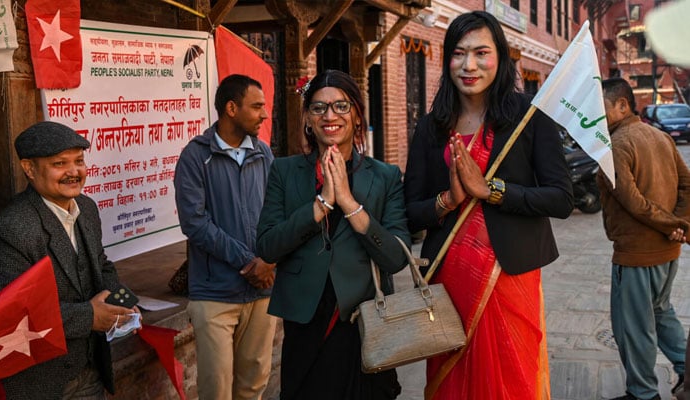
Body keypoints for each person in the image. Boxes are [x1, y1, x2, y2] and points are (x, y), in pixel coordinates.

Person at [403, 11, 574, 399]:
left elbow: (562, 198)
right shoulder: (432, 127)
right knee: (452, 383)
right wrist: (449, 200)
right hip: (448, 281)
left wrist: (492, 189)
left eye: (482, 53)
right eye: (459, 54)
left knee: (512, 380)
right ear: (447, 59)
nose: (470, 65)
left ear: (501, 57)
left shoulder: (529, 116)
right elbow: (410, 210)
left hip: (508, 278)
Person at [256, 69, 411, 400]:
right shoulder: (284, 172)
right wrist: (321, 203)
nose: (330, 115)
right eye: (318, 107)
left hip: (365, 320)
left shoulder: (385, 177)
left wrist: (349, 204)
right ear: (308, 120)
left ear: (357, 115)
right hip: (306, 321)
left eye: (341, 106)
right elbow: (268, 246)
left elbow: (397, 257)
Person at [0, 121, 140, 399]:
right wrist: (90, 317)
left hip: (90, 369)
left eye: (79, 161)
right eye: (60, 163)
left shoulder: (87, 207)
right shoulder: (12, 228)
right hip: (40, 382)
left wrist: (119, 302)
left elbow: (101, 263)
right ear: (29, 169)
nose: (74, 172)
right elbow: (12, 314)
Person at [173, 74, 276, 400]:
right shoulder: (195, 156)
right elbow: (195, 223)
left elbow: (277, 213)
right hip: (215, 293)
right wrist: (249, 261)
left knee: (254, 385)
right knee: (216, 390)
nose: (264, 114)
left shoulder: (263, 153)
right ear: (231, 108)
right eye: (256, 106)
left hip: (263, 290)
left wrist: (270, 260)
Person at [598, 77, 690, 400]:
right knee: (662, 312)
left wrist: (672, 224)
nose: (598, 117)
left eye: (602, 108)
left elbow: (632, 201)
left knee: (634, 327)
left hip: (636, 254)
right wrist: (680, 223)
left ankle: (643, 394)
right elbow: (686, 185)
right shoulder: (661, 137)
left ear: (622, 105)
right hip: (669, 252)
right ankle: (686, 372)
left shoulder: (617, 145)